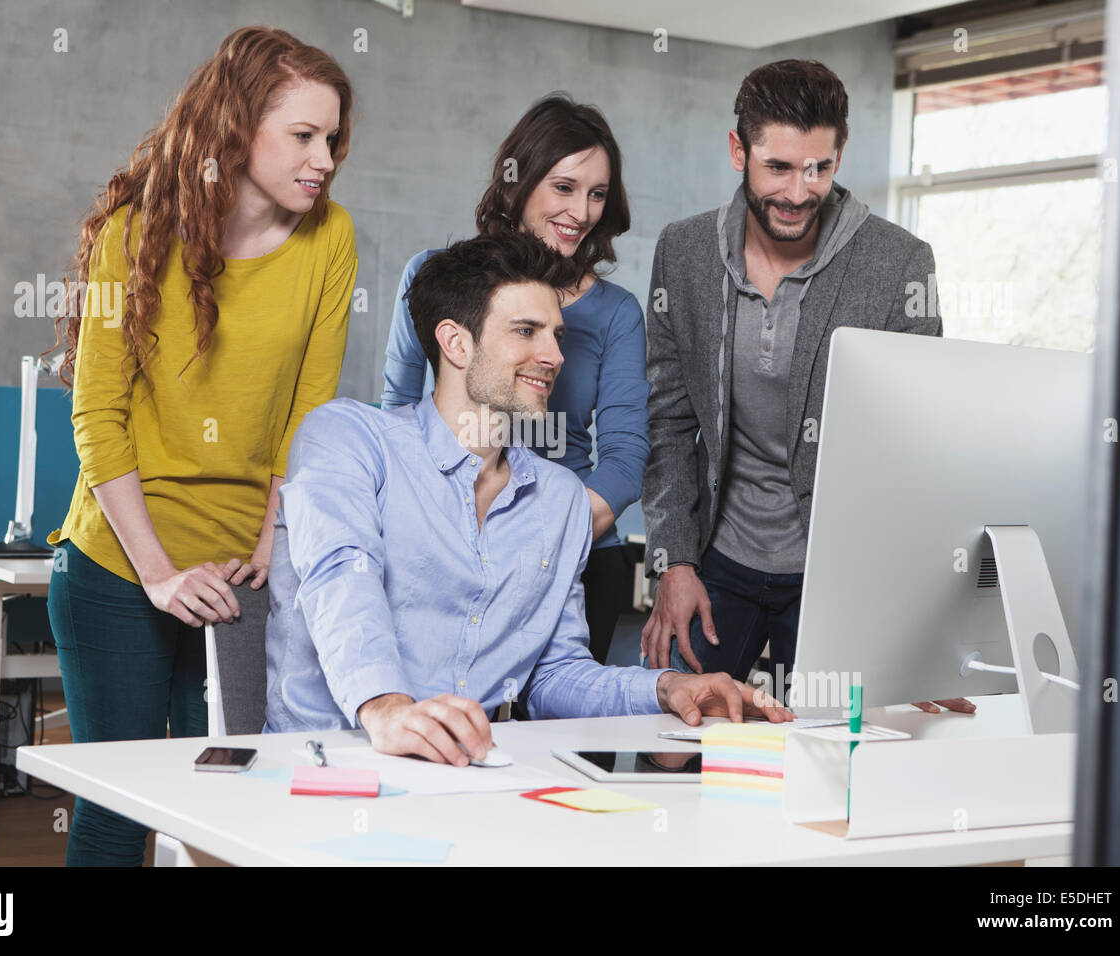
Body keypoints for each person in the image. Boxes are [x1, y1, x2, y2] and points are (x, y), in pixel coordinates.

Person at [265, 233, 790, 757]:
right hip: (324, 768)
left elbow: (555, 673)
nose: (555, 356)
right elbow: (341, 578)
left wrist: (665, 688)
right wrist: (387, 707)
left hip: (469, 779)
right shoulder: (347, 440)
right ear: (456, 343)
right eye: (527, 331)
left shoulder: (559, 498)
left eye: (556, 335)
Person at [44, 26, 358, 865]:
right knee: (120, 812)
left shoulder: (331, 240)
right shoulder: (134, 231)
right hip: (121, 565)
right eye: (303, 135)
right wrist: (157, 572)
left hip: (242, 572)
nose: (324, 156)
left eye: (332, 137)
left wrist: (267, 543)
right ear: (236, 128)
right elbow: (98, 418)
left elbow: (311, 413)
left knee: (219, 810)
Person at [640, 59, 973, 716]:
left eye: (819, 167)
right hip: (718, 560)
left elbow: (914, 450)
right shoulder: (683, 252)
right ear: (739, 150)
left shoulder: (900, 263)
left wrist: (914, 621)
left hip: (835, 572)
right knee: (674, 750)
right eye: (779, 168)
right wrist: (671, 560)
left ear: (839, 153)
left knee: (825, 760)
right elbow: (670, 420)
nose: (799, 191)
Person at [380, 94, 649, 667]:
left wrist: (542, 545)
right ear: (518, 182)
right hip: (445, 547)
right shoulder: (435, 278)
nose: (581, 211)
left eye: (597, 193)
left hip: (574, 552)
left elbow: (626, 460)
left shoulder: (616, 313)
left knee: (563, 737)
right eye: (564, 187)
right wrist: (456, 535)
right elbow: (398, 412)